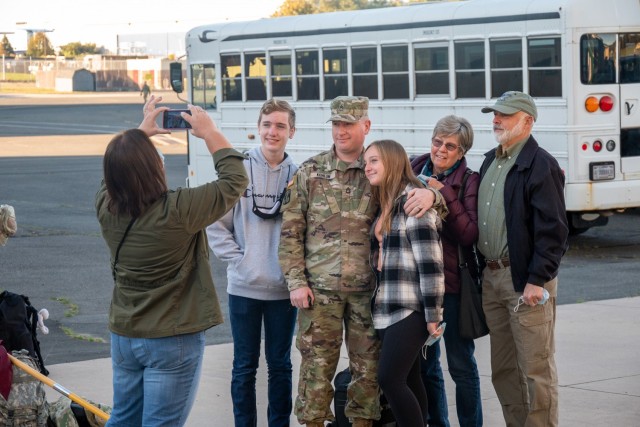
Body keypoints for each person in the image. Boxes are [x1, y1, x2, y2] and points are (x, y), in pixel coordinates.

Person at [279, 96, 440, 427]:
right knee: (315, 371)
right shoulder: (311, 172)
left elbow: (430, 200)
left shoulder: (381, 169)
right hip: (319, 295)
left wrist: (433, 194)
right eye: (336, 124)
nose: (341, 131)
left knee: (367, 375)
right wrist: (296, 282)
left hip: (369, 296)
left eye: (348, 124)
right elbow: (291, 232)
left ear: (365, 126)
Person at [96, 95, 248, 427]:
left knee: (122, 418)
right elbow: (235, 179)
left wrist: (139, 135)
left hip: (124, 334)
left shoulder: (106, 208)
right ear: (154, 168)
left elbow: (114, 174)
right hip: (172, 339)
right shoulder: (178, 211)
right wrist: (209, 132)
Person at [478, 91, 568, 426]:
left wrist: (536, 279)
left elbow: (554, 231)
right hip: (493, 279)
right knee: (504, 371)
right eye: (495, 114)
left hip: (526, 282)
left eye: (504, 115)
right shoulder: (491, 160)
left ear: (527, 121)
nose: (496, 120)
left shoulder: (539, 164)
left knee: (535, 369)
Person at [207, 98, 298, 426]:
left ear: (292, 131)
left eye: (280, 126)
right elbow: (216, 225)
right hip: (244, 288)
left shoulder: (298, 176)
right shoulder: (239, 172)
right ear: (258, 129)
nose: (273, 132)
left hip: (282, 291)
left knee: (280, 365)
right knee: (244, 366)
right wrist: (239, 261)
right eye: (267, 125)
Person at [364, 139, 445, 427]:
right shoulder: (384, 202)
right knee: (410, 378)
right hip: (386, 306)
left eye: (374, 160)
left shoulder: (413, 201)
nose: (367, 167)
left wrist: (434, 315)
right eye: (366, 161)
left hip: (410, 307)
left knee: (390, 379)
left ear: (393, 161)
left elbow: (431, 264)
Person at [410, 116, 483, 427]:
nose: (440, 149)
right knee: (426, 366)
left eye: (450, 146)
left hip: (451, 288)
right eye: (437, 141)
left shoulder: (469, 180)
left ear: (461, 151)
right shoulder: (413, 168)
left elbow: (468, 234)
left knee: (461, 364)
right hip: (416, 285)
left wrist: (442, 194)